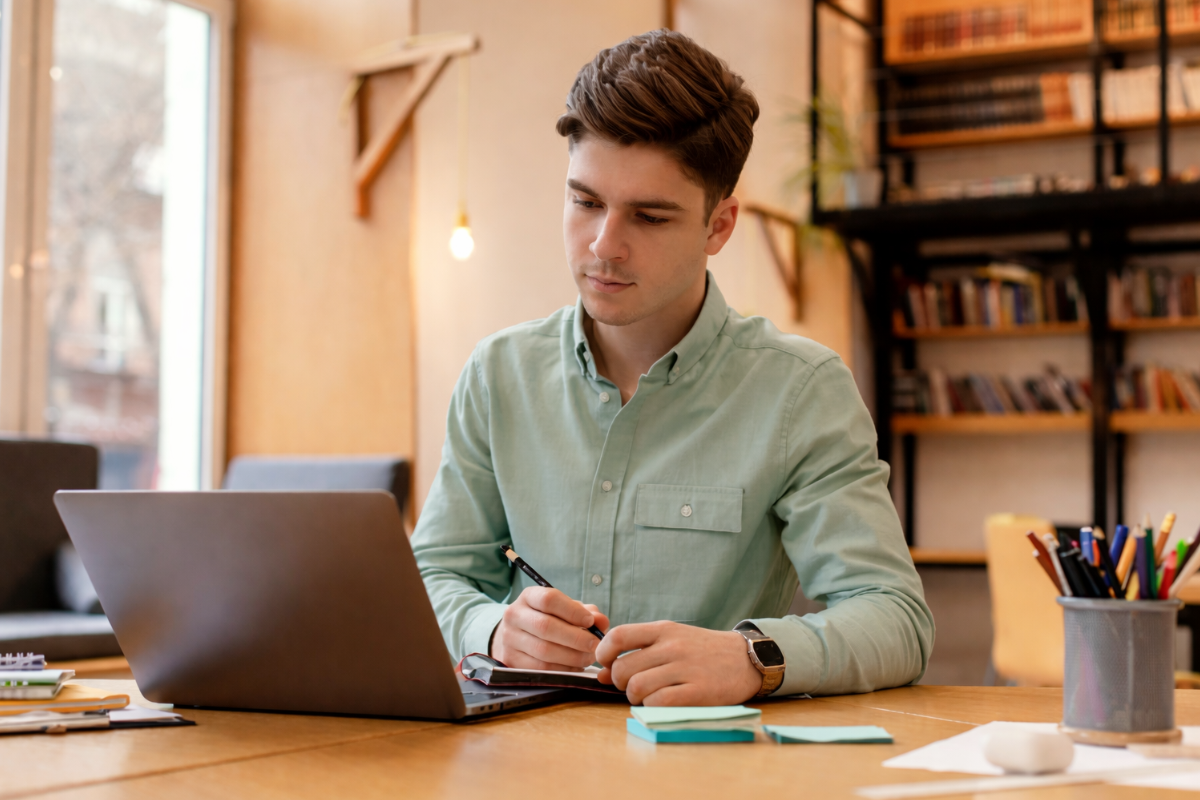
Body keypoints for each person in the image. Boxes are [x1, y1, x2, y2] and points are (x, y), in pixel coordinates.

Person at [411, 29, 933, 707]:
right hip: (510, 755)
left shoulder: (800, 391)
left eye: (649, 217)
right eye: (585, 201)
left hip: (705, 762)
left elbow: (896, 616)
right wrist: (493, 630)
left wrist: (754, 656)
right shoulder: (498, 374)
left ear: (719, 226)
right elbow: (433, 576)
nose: (604, 246)